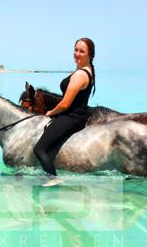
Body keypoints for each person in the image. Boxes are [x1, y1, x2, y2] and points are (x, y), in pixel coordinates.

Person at [33, 37, 96, 186]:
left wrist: (50, 112)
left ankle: (53, 179)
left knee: (39, 149)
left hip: (71, 117)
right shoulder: (85, 70)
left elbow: (65, 103)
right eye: (76, 50)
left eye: (82, 51)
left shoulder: (81, 74)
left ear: (90, 54)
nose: (77, 54)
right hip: (76, 115)